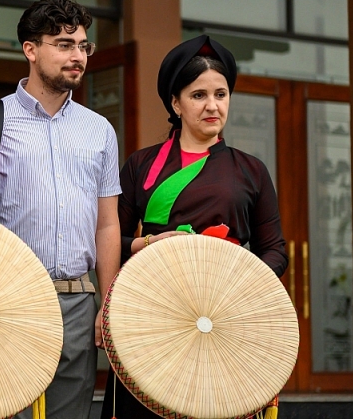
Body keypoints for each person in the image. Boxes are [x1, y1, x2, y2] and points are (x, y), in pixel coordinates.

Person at [100, 35, 289, 419]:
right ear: (176, 103)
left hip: (224, 317)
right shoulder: (142, 165)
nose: (212, 106)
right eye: (198, 95)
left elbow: (275, 251)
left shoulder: (250, 170)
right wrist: (147, 244)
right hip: (152, 316)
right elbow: (108, 239)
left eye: (221, 94)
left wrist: (235, 277)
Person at [0, 0, 122, 419]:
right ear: (31, 50)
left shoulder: (99, 129)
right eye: (64, 44)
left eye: (83, 45)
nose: (77, 56)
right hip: (7, 299)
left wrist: (109, 301)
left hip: (79, 301)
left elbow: (107, 224)